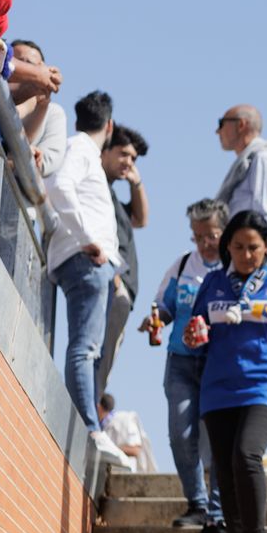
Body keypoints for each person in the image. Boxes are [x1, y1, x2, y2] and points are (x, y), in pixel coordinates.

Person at [183, 210, 267, 533]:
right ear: (226, 248)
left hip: (265, 384)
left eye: (253, 247)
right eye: (237, 247)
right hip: (218, 389)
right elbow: (195, 330)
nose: (246, 255)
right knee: (224, 468)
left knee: (247, 453)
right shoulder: (214, 282)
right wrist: (194, 334)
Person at [43, 90, 126, 467]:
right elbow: (59, 188)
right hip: (84, 258)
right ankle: (92, 430)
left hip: (90, 260)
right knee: (85, 349)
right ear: (108, 126)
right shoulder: (80, 149)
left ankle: (91, 428)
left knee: (89, 350)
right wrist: (87, 239)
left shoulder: (81, 149)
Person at [139, 198, 227, 533]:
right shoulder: (182, 266)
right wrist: (154, 319)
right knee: (180, 432)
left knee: (220, 436)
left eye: (211, 235)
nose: (205, 243)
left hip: (217, 362)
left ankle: (219, 510)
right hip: (180, 361)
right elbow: (165, 306)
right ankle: (198, 503)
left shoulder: (232, 268)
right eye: (198, 236)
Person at [96, 124, 148, 397]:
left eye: (134, 159)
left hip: (122, 291)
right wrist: (114, 278)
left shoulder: (113, 194)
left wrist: (136, 183)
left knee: (106, 360)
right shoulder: (96, 184)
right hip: (112, 286)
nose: (128, 162)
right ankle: (89, 415)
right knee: (97, 357)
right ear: (105, 149)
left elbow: (140, 219)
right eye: (124, 154)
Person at [214, 104, 267, 251]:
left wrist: (253, 255)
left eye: (222, 123)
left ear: (241, 124)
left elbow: (266, 217)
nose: (217, 131)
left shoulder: (263, 159)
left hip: (256, 260)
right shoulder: (249, 162)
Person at [8, 39, 66, 176]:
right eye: (16, 62)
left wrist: (41, 102)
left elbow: (45, 162)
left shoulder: (52, 112)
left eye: (29, 64)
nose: (20, 69)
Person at [97, 393, 156, 472]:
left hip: (125, 474)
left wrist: (110, 449)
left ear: (99, 407)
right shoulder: (103, 427)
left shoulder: (124, 420)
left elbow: (135, 450)